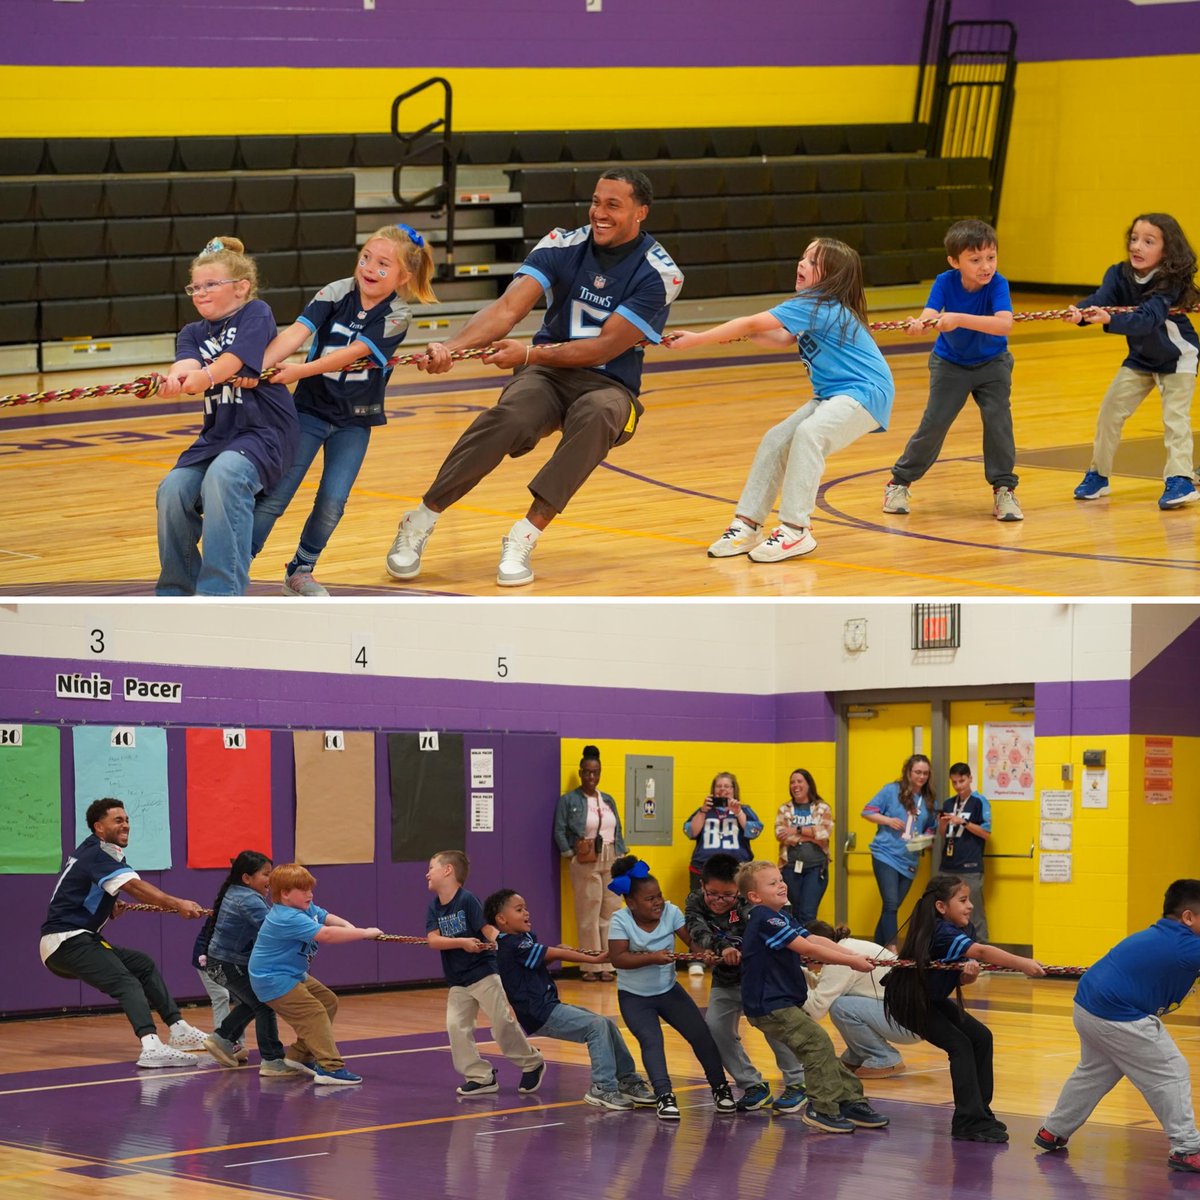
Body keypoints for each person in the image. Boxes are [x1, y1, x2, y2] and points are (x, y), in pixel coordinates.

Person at [383, 167, 683, 587]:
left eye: (613, 205)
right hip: (546, 373)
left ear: (640, 213)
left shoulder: (660, 273)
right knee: (509, 417)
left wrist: (527, 352)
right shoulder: (563, 243)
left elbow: (603, 347)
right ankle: (420, 520)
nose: (599, 212)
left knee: (600, 414)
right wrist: (451, 350)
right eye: (596, 201)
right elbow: (508, 309)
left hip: (609, 382)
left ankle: (524, 535)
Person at [665, 238, 894, 563]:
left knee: (809, 435)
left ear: (831, 277)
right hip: (833, 394)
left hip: (866, 392)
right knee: (776, 440)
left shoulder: (817, 305)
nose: (802, 264)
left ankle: (796, 531)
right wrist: (737, 331)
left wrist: (699, 339)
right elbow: (779, 338)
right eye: (804, 256)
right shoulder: (812, 307)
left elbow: (753, 324)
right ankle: (747, 525)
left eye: (813, 262)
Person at [250, 225, 437, 597]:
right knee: (275, 495)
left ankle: (300, 570)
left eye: (384, 264)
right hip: (307, 411)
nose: (369, 267)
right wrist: (252, 367)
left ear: (404, 276)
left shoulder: (398, 315)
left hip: (355, 421)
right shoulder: (336, 291)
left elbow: (350, 355)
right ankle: (234, 563)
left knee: (333, 502)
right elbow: (295, 334)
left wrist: (299, 370)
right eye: (366, 257)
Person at [155, 236, 299, 595]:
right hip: (219, 436)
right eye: (195, 287)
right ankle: (176, 589)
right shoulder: (191, 332)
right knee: (172, 490)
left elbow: (233, 361)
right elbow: (186, 365)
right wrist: (175, 381)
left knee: (224, 475)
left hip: (263, 433)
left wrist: (202, 377)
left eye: (211, 285)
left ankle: (221, 593)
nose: (200, 293)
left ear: (241, 287)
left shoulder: (255, 313)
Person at [1036, 878, 1200, 1173]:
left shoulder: (1162, 935)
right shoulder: (1187, 945)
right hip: (1117, 1014)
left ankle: (1053, 1130)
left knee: (1095, 1073)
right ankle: (1186, 1149)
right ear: (1188, 917)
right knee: (1172, 1070)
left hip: (1087, 1006)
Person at [38, 797, 208, 1068]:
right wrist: (177, 904)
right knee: (126, 981)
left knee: (142, 965)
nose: (126, 825)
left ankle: (179, 1031)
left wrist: (108, 908)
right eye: (118, 820)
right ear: (99, 827)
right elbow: (135, 887)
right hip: (67, 941)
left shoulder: (99, 852)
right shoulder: (98, 854)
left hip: (77, 938)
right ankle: (151, 1046)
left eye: (127, 820)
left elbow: (78, 893)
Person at [882, 873, 1044, 1142]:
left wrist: (968, 975)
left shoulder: (960, 930)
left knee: (981, 1037)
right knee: (960, 1045)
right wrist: (1023, 963)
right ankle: (968, 1122)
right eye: (963, 900)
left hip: (930, 998)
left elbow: (958, 977)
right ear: (941, 907)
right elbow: (981, 952)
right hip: (909, 1001)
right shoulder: (941, 930)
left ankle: (980, 1112)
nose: (970, 906)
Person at [735, 860, 890, 1134]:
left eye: (781, 879)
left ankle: (849, 1101)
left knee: (820, 1047)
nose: (782, 884)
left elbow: (815, 940)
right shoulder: (764, 918)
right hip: (768, 1005)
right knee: (817, 1043)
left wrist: (851, 955)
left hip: (783, 1003)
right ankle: (822, 1108)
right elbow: (806, 947)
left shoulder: (782, 916)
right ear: (755, 896)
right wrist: (850, 963)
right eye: (772, 883)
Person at [883, 218, 1020, 522]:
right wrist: (918, 326)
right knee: (934, 424)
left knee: (999, 423)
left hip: (993, 364)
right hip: (950, 365)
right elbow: (930, 316)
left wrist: (958, 318)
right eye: (975, 260)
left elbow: (1003, 324)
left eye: (991, 257)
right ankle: (899, 482)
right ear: (954, 261)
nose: (986, 266)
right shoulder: (944, 282)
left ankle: (1004, 490)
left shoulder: (998, 284)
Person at [1067, 212, 1199, 510]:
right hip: (1141, 358)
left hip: (1178, 358)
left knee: (1175, 419)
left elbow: (1147, 319)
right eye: (1134, 239)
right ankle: (1098, 475)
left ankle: (1180, 480)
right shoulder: (1118, 273)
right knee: (1110, 412)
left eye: (1148, 241)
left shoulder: (1170, 282)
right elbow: (1101, 299)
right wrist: (1080, 313)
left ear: (1166, 250)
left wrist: (1109, 319)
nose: (1137, 246)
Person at [485, 888, 654, 1110]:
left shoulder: (523, 939)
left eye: (525, 908)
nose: (526, 912)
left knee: (607, 1026)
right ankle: (602, 1088)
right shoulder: (512, 945)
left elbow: (534, 963)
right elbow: (553, 954)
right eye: (519, 909)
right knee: (596, 1026)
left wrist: (554, 952)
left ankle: (628, 1081)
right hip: (540, 1013)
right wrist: (593, 959)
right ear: (501, 919)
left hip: (548, 1006)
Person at [605, 856, 735, 1120]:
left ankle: (720, 1088)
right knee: (652, 1041)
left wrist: (704, 954)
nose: (658, 902)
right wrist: (653, 957)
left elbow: (692, 941)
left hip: (668, 991)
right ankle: (664, 1095)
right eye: (650, 899)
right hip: (634, 998)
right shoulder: (620, 920)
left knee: (701, 1034)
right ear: (631, 903)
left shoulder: (672, 912)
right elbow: (618, 958)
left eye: (659, 896)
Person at [684, 853, 808, 1113]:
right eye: (712, 894)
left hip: (761, 978)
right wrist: (718, 948)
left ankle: (798, 1083)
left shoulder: (750, 905)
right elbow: (697, 930)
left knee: (774, 1027)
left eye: (727, 895)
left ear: (740, 892)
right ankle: (752, 1085)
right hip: (725, 979)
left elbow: (756, 931)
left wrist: (732, 947)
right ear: (702, 886)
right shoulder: (695, 900)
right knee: (716, 1028)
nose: (719, 901)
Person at [248, 862, 382, 1085]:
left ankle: (300, 1055)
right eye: (304, 890)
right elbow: (327, 935)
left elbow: (326, 917)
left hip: (291, 973)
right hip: (272, 979)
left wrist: (350, 927)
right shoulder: (286, 917)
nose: (310, 894)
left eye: (311, 889)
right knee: (314, 1012)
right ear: (285, 894)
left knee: (327, 1001)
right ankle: (330, 1068)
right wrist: (364, 934)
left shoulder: (303, 908)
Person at [425, 850, 546, 1095]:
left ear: (448, 870)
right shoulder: (434, 907)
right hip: (458, 979)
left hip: (483, 973)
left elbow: (486, 928)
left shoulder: (467, 900)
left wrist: (501, 940)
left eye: (432, 867)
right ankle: (481, 1076)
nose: (427, 873)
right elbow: (433, 940)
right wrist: (462, 943)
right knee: (456, 1027)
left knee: (502, 1021)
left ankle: (532, 1062)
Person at [202, 851, 298, 1078]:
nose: (271, 879)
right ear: (246, 878)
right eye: (266, 874)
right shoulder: (248, 899)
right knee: (264, 1002)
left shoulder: (239, 893)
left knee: (257, 1001)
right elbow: (274, 929)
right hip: (226, 964)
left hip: (224, 962)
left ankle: (223, 1038)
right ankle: (272, 1060)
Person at [802, 919, 922, 1079]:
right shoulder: (846, 946)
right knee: (843, 1002)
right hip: (912, 1017)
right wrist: (800, 974)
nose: (802, 956)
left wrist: (791, 982)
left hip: (910, 1021)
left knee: (840, 1007)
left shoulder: (839, 960)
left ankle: (884, 1058)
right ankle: (858, 1055)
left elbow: (816, 1009)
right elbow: (826, 987)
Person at [552, 744, 625, 981]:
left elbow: (618, 828)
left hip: (610, 856)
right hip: (586, 859)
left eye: (596, 772)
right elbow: (560, 830)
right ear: (581, 771)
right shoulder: (569, 800)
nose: (591, 777)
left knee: (612, 911)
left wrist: (621, 856)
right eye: (587, 772)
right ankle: (591, 965)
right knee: (588, 913)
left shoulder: (608, 799)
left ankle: (609, 963)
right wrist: (569, 853)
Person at [862, 753, 938, 947]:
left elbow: (931, 827)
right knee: (890, 904)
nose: (921, 777)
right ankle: (892, 948)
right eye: (918, 772)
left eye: (925, 774)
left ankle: (877, 950)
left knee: (892, 907)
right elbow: (867, 811)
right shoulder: (891, 790)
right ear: (908, 772)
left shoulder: (928, 799)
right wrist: (888, 820)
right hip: (886, 854)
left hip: (909, 859)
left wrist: (926, 838)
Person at [938, 763, 992, 941]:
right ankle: (953, 947)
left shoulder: (979, 802)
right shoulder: (948, 803)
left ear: (970, 778)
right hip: (949, 864)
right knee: (947, 911)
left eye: (962, 781)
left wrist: (963, 822)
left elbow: (986, 833)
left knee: (973, 911)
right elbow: (943, 835)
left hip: (970, 865)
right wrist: (943, 825)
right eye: (954, 782)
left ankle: (982, 951)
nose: (958, 786)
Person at [774, 768, 834, 926]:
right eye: (792, 782)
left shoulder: (822, 808)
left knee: (808, 913)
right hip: (790, 867)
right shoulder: (784, 809)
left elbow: (825, 833)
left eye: (799, 781)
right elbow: (780, 834)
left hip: (816, 868)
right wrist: (812, 835)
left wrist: (797, 830)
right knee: (792, 911)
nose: (795, 785)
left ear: (809, 784)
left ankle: (808, 950)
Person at [683, 772, 763, 889]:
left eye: (726, 786)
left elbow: (754, 832)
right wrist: (703, 811)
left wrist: (738, 812)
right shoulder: (704, 811)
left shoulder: (744, 810)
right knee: (701, 905)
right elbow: (691, 832)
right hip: (703, 870)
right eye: (719, 786)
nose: (722, 789)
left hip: (737, 870)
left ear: (733, 789)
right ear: (713, 789)